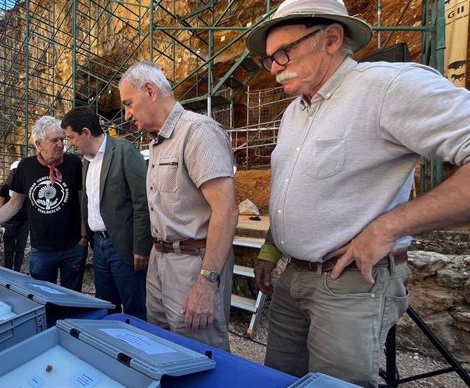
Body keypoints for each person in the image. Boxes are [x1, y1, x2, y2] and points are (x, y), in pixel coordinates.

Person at [245, 0, 470, 385]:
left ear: (331, 38)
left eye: (283, 52)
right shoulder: (294, 111)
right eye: (270, 59)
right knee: (278, 380)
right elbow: (292, 191)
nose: (275, 67)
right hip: (291, 277)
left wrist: (388, 227)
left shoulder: (388, 87)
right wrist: (270, 249)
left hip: (349, 282)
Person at [118, 61, 238, 349]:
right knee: (161, 345)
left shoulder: (198, 132)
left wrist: (207, 283)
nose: (126, 115)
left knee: (197, 351)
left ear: (150, 90)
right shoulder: (157, 142)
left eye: (129, 104)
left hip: (191, 263)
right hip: (160, 259)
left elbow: (226, 210)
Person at [0, 116, 87, 292]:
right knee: (42, 299)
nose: (61, 144)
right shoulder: (26, 167)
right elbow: (13, 204)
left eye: (61, 139)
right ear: (39, 144)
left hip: (73, 248)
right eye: (54, 140)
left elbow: (82, 202)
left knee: (73, 299)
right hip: (41, 251)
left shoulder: (73, 163)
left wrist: (83, 237)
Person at [61, 106, 153, 320]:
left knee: (134, 308)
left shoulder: (123, 152)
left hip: (124, 246)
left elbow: (142, 201)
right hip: (99, 245)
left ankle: (135, 349)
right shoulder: (88, 162)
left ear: (85, 132)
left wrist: (141, 246)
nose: (71, 144)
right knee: (106, 305)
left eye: (72, 137)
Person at [0, 161, 30, 272]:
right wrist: (3, 218)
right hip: (9, 222)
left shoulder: (26, 187)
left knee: (20, 249)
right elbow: (0, 204)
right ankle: (8, 271)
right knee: (9, 249)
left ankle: (17, 271)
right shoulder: (5, 188)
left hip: (24, 222)